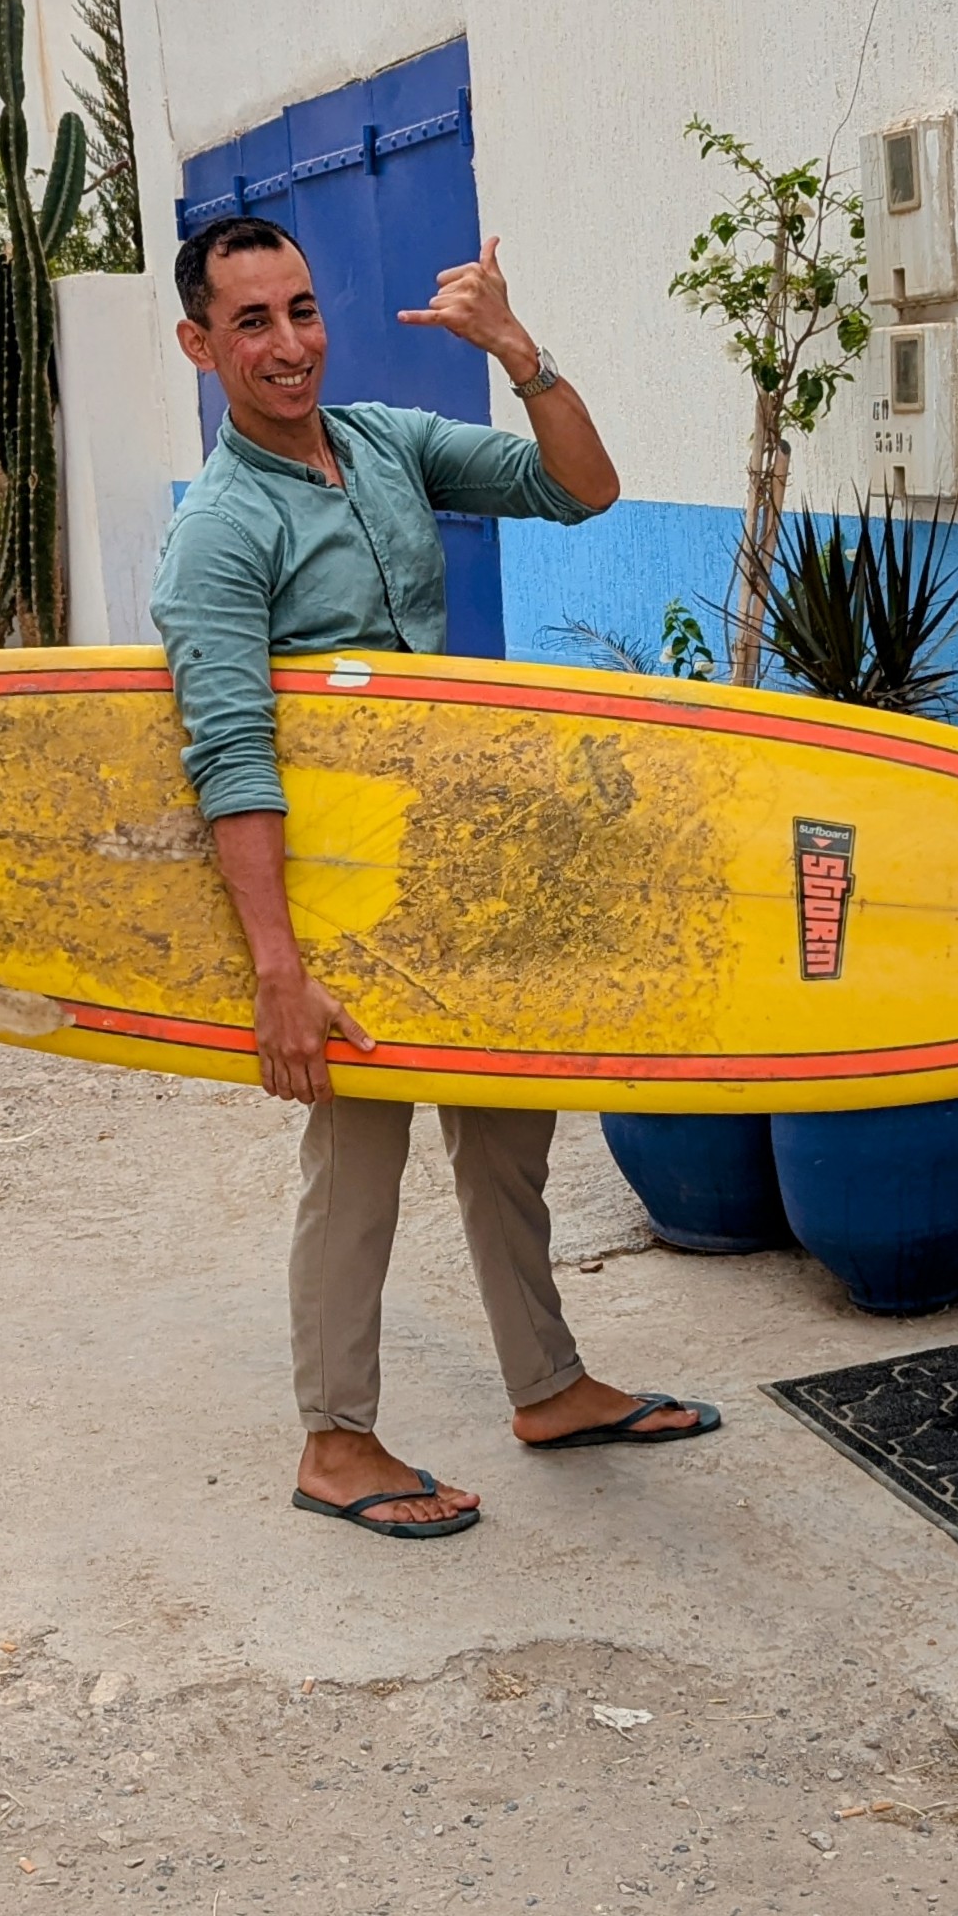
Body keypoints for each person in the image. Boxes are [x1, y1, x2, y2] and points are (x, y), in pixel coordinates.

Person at [151, 215, 718, 1541]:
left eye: (300, 309)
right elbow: (228, 758)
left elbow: (584, 491)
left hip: (457, 870)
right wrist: (277, 973)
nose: (288, 345)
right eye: (251, 323)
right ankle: (336, 1442)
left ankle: (549, 1386)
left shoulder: (386, 443)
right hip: (335, 898)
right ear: (199, 344)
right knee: (356, 1161)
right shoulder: (220, 534)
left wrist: (518, 351)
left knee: (507, 1131)